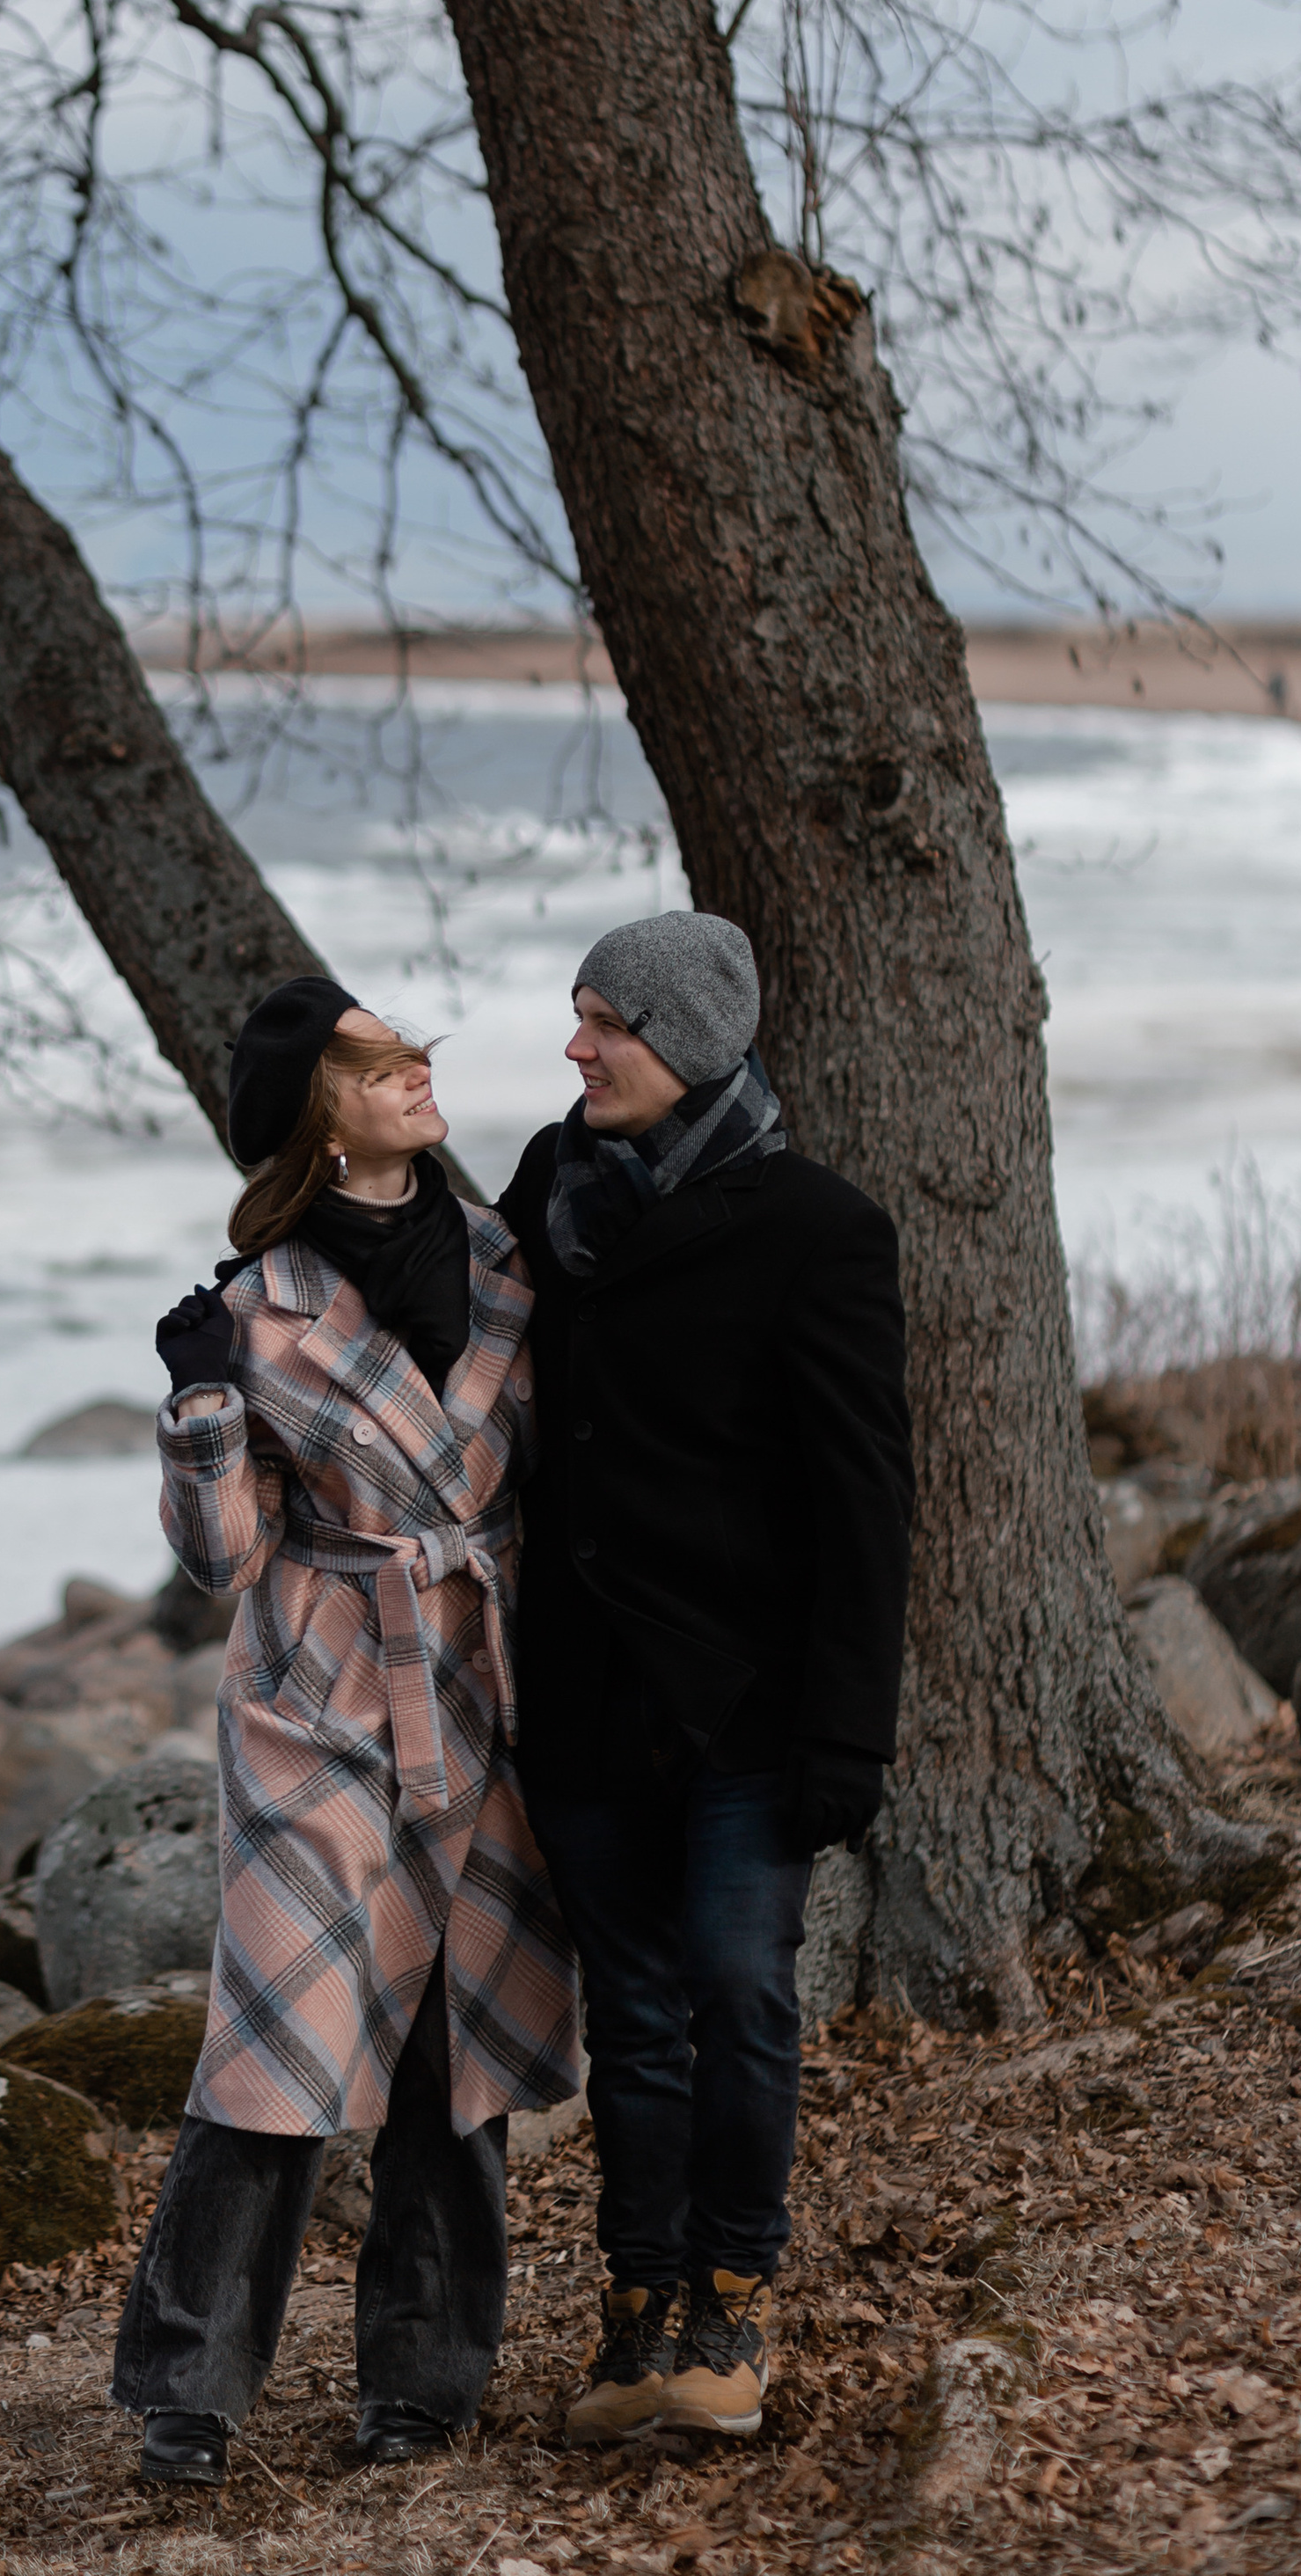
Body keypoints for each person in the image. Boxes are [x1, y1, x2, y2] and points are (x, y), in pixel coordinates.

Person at [113, 975, 581, 2488]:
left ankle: (423, 2391)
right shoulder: (253, 1309)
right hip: (323, 1700)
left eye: (418, 1051)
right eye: (383, 1062)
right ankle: (185, 2400)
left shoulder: (517, 1256)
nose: (420, 1072)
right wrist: (196, 1408)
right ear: (318, 1107)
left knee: (457, 2056)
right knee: (275, 2054)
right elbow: (221, 1558)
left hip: (491, 1689)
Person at [497, 911, 913, 2448]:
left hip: (746, 1706)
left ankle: (731, 2307)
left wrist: (846, 1736)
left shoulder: (820, 1230)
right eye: (579, 1015)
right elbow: (439, 1305)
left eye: (601, 1020)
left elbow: (868, 1505)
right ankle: (635, 2314)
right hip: (590, 1699)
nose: (574, 1046)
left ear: (681, 1045)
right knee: (636, 2017)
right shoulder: (553, 1191)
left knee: (741, 1997)